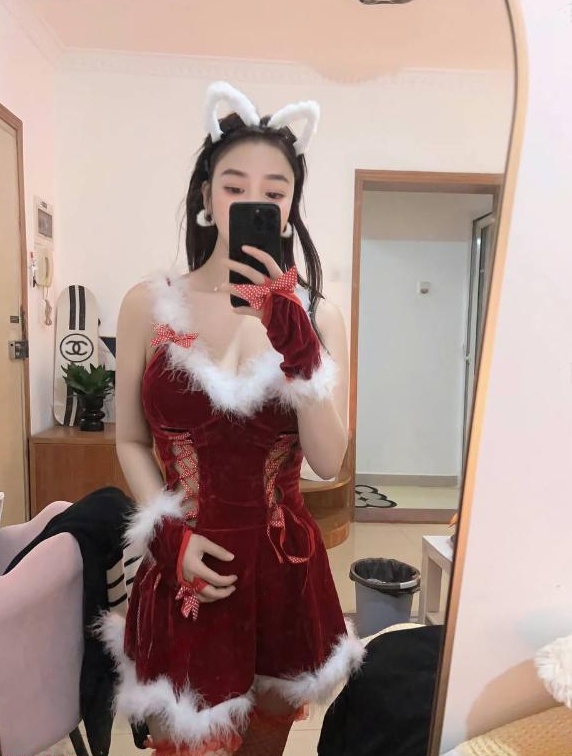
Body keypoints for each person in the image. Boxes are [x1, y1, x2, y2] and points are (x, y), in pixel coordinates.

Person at [100, 81, 364, 756]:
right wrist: (168, 535)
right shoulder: (147, 305)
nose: (256, 200)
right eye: (234, 185)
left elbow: (329, 461)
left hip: (284, 571)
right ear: (206, 196)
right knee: (182, 744)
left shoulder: (321, 315)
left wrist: (299, 342)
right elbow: (129, 439)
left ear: (291, 206)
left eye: (275, 190)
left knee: (264, 747)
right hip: (184, 568)